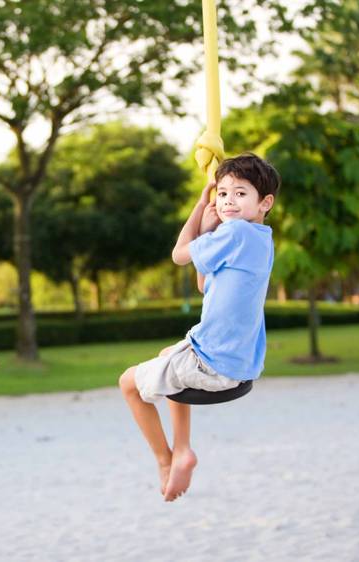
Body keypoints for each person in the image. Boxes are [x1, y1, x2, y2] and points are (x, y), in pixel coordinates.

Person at [119, 153, 280, 502]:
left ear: (264, 202)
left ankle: (167, 459)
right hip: (235, 363)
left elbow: (179, 254)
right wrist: (209, 230)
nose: (227, 201)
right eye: (221, 193)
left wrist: (199, 203)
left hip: (213, 362)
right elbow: (203, 285)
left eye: (240, 193)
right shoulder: (259, 239)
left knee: (128, 384)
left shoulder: (236, 231)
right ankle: (183, 449)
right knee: (170, 354)